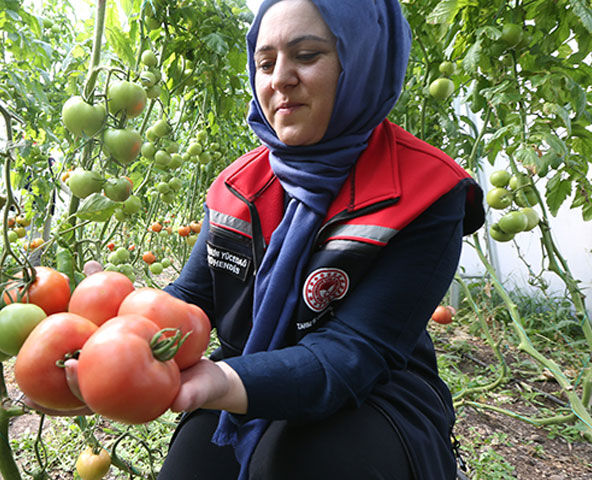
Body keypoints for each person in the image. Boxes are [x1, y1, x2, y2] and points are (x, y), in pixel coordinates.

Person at [30, 1, 484, 479]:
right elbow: (193, 298)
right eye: (265, 63)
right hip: (245, 367)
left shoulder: (426, 190)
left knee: (300, 464)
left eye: (306, 55)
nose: (279, 79)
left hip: (375, 392)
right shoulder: (238, 185)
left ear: (363, 61)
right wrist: (111, 332)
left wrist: (223, 380)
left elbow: (356, 351)